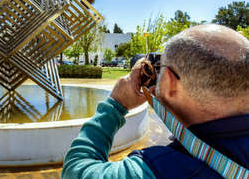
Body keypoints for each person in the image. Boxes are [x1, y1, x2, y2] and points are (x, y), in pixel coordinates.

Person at [62, 24, 249, 178]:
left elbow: (75, 170)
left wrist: (116, 104)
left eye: (160, 67)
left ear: (168, 82)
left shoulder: (161, 168)